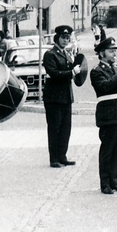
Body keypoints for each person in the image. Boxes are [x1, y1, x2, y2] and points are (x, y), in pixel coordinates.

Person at [90, 36, 117, 194]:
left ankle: (115, 179)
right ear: (101, 53)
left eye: (115, 50)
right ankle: (105, 182)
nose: (114, 53)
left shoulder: (115, 68)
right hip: (107, 114)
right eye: (110, 51)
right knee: (107, 150)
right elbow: (106, 86)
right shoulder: (96, 71)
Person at [43, 25, 85, 168]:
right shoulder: (50, 54)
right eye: (63, 37)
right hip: (54, 98)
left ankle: (62, 155)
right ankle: (54, 158)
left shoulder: (66, 53)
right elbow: (54, 74)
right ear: (57, 38)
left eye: (67, 38)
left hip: (66, 97)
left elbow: (73, 69)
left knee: (66, 128)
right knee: (55, 128)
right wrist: (72, 72)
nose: (65, 40)